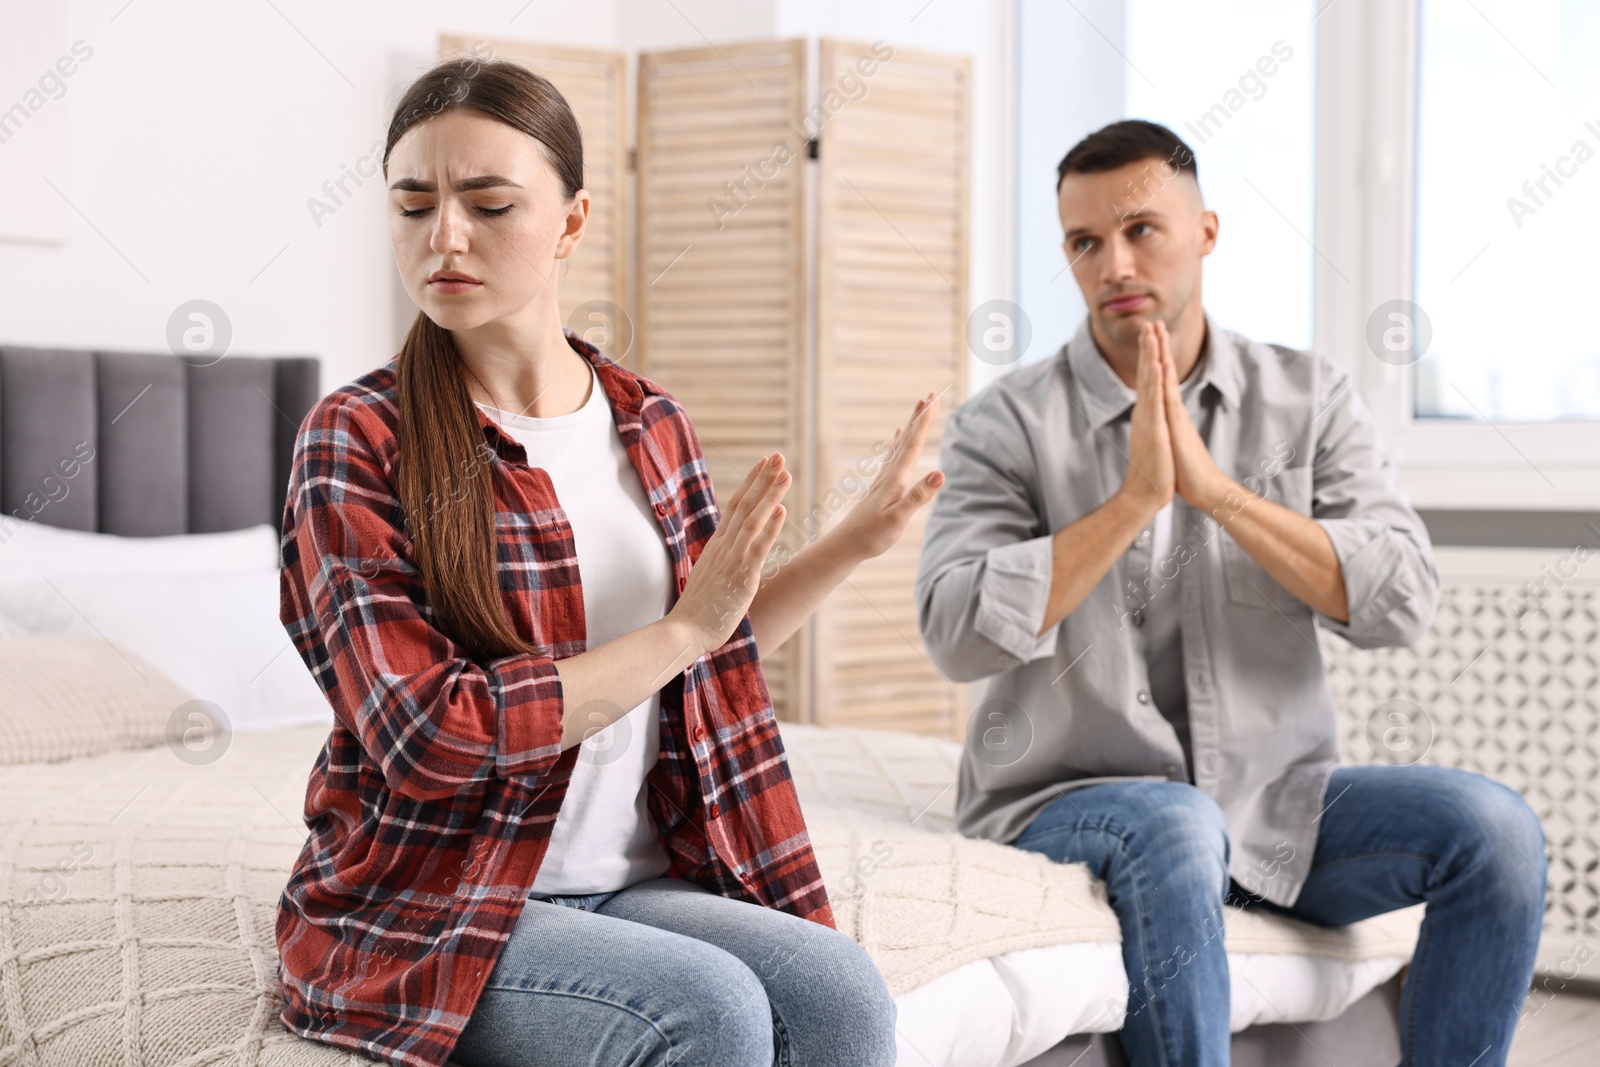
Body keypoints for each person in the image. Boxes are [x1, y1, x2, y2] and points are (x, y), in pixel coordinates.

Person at [274, 56, 945, 1067]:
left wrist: (856, 541)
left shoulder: (648, 420)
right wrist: (682, 628)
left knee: (838, 992)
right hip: (440, 899)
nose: (444, 237)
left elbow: (707, 657)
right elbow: (424, 736)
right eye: (413, 207)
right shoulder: (356, 438)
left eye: (490, 204)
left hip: (635, 878)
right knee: (707, 1008)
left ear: (573, 222)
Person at [915, 119, 1547, 1067]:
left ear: (1206, 231)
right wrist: (1132, 503)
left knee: (1494, 830)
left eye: (1142, 230)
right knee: (1178, 821)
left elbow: (1403, 595)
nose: (1114, 262)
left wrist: (1219, 494)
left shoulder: (1309, 396)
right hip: (1073, 794)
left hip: (1275, 797)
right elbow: (955, 630)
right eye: (1085, 242)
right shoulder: (1003, 423)